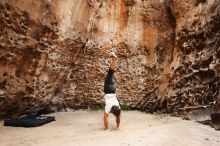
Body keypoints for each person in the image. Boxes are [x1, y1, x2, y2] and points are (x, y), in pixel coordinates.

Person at [103, 52, 121, 130]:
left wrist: (118, 127)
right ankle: (115, 59)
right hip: (108, 89)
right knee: (110, 73)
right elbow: (105, 118)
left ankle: (114, 59)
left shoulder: (118, 106)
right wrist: (106, 128)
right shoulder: (108, 107)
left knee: (111, 73)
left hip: (113, 90)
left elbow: (118, 116)